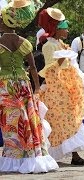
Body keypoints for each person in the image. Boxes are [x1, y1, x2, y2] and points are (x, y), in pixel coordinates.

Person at [0, 1, 58, 173]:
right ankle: (32, 154)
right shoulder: (24, 43)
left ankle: (14, 159)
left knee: (11, 123)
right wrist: (37, 88)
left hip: (5, 86)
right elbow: (33, 68)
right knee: (29, 120)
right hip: (23, 85)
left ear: (4, 22)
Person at [38, 8, 84, 165]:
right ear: (57, 28)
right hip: (56, 90)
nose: (67, 30)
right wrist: (62, 59)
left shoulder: (62, 44)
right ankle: (69, 155)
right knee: (61, 121)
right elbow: (50, 70)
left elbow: (66, 65)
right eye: (64, 26)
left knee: (69, 120)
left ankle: (74, 155)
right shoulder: (49, 46)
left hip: (66, 88)